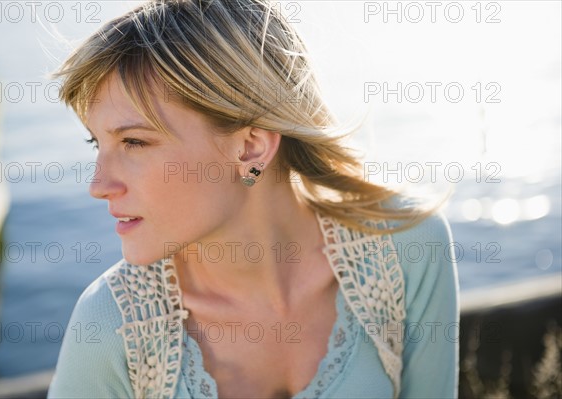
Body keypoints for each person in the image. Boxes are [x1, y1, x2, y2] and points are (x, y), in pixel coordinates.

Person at [47, 1, 459, 398]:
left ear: (250, 148)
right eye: (97, 143)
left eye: (134, 142)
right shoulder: (110, 327)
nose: (98, 185)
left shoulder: (407, 246)